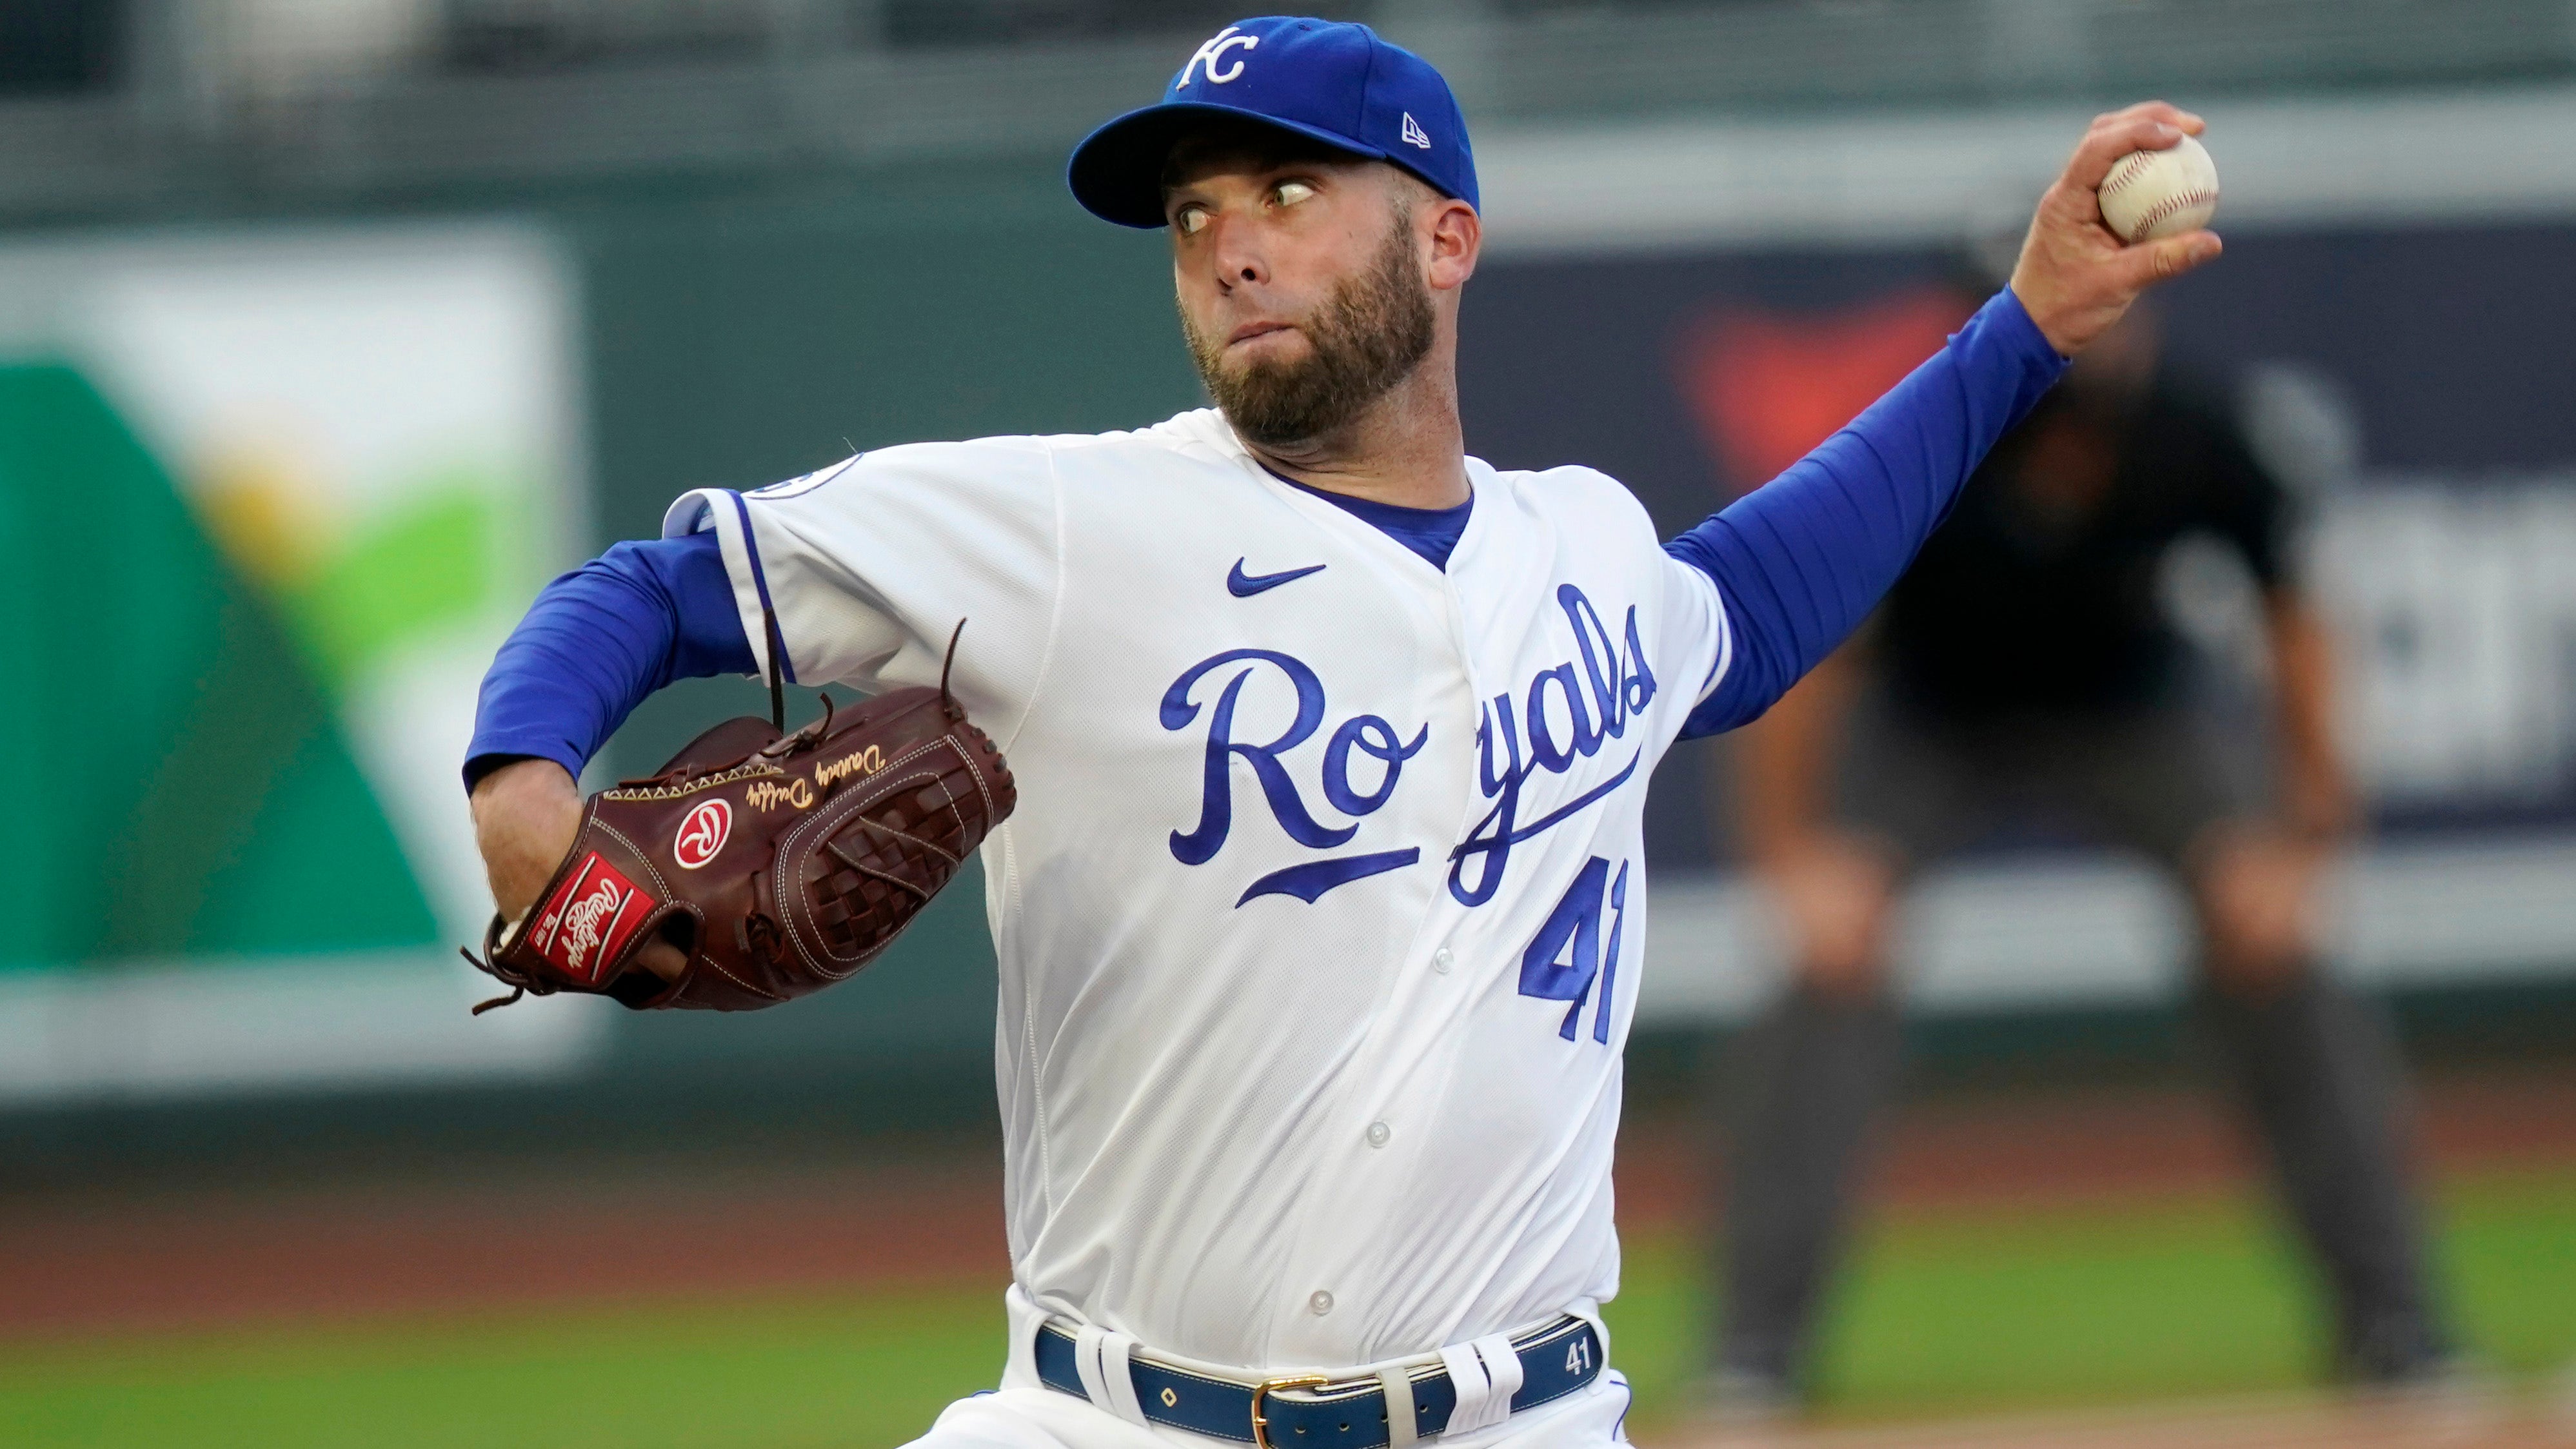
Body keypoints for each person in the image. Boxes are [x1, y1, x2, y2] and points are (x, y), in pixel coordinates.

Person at [463, 17, 2217, 1448]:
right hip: (1102, 1424)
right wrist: (525, 789)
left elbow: (1753, 609)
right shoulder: (1068, 527)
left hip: (1518, 1415)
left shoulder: (1585, 552)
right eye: (1194, 213)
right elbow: (654, 589)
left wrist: (2024, 331)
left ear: (1445, 234)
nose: (1229, 240)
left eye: (1288, 189)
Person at [1707, 288, 2453, 1415]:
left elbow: (2297, 620)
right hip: (1934, 724)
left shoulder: (2194, 430)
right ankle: (1751, 1357)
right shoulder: (1922, 437)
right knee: (1827, 968)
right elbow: (1817, 650)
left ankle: (2398, 1326)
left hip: (2131, 715)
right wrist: (1794, 856)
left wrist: (2301, 843)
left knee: (2280, 952)